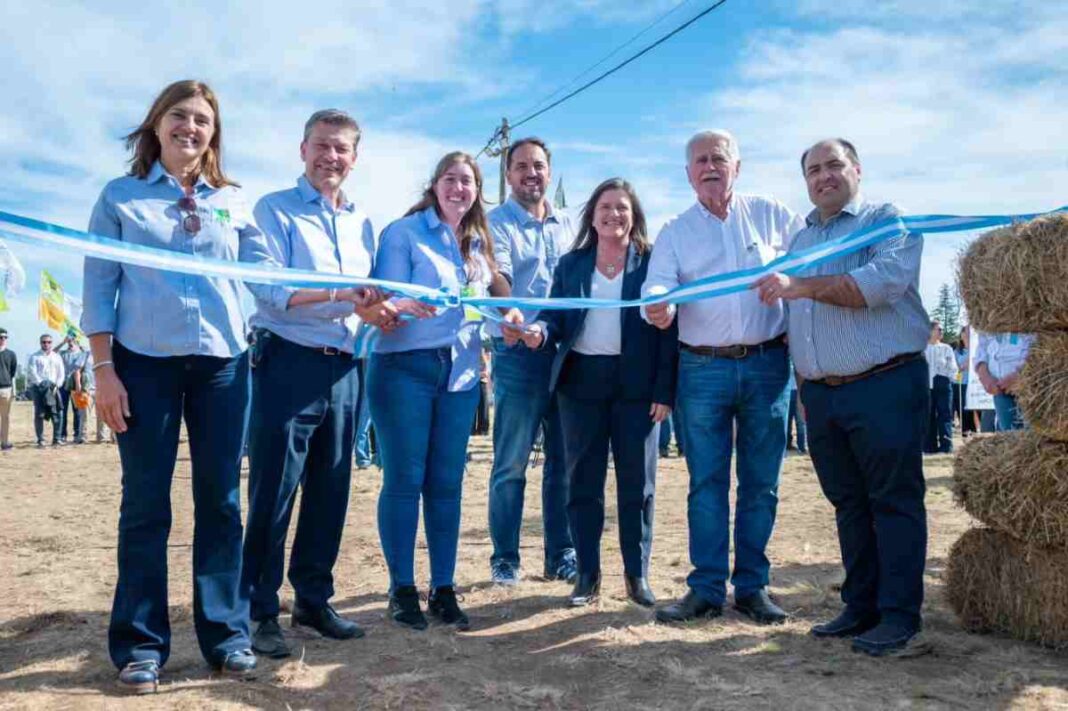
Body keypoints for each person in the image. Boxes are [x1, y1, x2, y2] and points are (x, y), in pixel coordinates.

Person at [83, 79, 259, 692]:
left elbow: (271, 278)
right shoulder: (120, 197)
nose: (191, 127)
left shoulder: (235, 201)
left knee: (221, 502)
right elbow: (99, 285)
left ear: (215, 134)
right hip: (144, 365)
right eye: (179, 116)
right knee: (145, 504)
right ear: (156, 125)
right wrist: (104, 371)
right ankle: (140, 646)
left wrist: (344, 294)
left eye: (203, 120)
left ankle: (227, 634)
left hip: (223, 365)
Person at [754, 138, 931, 657]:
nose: (824, 176)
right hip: (824, 396)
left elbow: (878, 286)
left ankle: (900, 615)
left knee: (893, 501)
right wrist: (807, 386)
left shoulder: (886, 220)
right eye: (813, 169)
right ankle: (860, 605)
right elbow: (796, 318)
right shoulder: (801, 237)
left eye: (834, 165)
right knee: (849, 505)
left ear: (857, 168)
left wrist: (801, 284)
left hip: (885, 383)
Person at [240, 109, 392, 659]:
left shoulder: (363, 223)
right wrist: (343, 295)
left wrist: (385, 309)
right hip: (287, 361)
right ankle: (258, 610)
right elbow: (270, 288)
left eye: (342, 149)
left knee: (331, 489)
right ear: (302, 149)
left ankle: (312, 599)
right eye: (322, 146)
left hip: (347, 366)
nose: (332, 157)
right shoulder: (272, 210)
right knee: (274, 491)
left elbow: (367, 297)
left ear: (355, 158)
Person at [643, 130, 803, 626]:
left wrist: (793, 282)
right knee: (706, 483)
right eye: (699, 161)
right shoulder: (675, 230)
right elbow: (657, 283)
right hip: (702, 369)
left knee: (761, 483)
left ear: (738, 165)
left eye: (718, 158)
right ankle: (707, 587)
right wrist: (658, 305)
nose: (709, 167)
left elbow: (808, 263)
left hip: (767, 367)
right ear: (688, 173)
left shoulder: (777, 215)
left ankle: (752, 587)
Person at [509, 178, 677, 608]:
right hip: (580, 385)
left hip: (636, 389)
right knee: (582, 482)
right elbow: (554, 316)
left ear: (634, 214)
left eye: (622, 207)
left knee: (637, 485)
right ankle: (586, 574)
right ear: (592, 215)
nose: (613, 214)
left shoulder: (652, 261)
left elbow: (667, 332)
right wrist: (539, 333)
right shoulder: (572, 264)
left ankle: (636, 575)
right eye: (605, 206)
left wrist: (664, 390)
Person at [369, 151, 514, 630]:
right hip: (405, 369)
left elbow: (485, 307)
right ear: (434, 186)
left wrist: (513, 321)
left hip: (462, 375)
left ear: (477, 191)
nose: (459, 188)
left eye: (468, 181)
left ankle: (444, 589)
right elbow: (382, 299)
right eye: (450, 179)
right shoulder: (403, 233)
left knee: (447, 485)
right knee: (405, 480)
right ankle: (402, 589)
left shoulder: (477, 247)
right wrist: (403, 302)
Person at [486, 137, 577, 586]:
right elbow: (497, 275)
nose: (531, 173)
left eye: (538, 165)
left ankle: (560, 554)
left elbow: (575, 284)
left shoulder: (571, 224)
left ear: (549, 169)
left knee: (563, 462)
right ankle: (505, 558)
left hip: (564, 356)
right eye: (520, 166)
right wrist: (513, 316)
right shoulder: (495, 222)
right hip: (517, 353)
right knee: (511, 464)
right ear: (508, 176)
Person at [974, 331, 1033, 431]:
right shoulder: (987, 319)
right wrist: (984, 375)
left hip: (1031, 387)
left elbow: (1041, 346)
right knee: (1009, 436)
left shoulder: (1029, 318)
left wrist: (1021, 375)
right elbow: (982, 346)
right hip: (999, 388)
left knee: (1034, 437)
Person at [924, 320, 958, 453]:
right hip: (927, 385)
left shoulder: (946, 348)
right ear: (931, 331)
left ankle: (946, 446)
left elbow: (953, 367)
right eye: (939, 329)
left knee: (945, 415)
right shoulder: (922, 348)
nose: (941, 332)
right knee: (929, 416)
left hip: (943, 383)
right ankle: (929, 446)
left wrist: (949, 378)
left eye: (942, 329)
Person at [27, 333, 64, 447]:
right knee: (40, 413)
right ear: (40, 343)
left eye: (49, 342)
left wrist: (57, 385)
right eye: (44, 342)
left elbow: (61, 373)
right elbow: (32, 373)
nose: (46, 344)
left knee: (57, 412)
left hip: (53, 388)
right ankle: (40, 439)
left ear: (52, 343)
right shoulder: (34, 357)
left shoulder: (57, 357)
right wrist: (42, 384)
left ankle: (56, 439)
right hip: (39, 388)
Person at [57, 332, 89, 444]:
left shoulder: (82, 353)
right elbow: (52, 352)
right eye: (69, 340)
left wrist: (80, 346)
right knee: (62, 409)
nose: (70, 342)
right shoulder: (63, 353)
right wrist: (62, 342)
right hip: (63, 384)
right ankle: (62, 435)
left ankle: (77, 433)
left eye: (73, 340)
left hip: (77, 384)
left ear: (77, 341)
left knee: (78, 410)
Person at [952, 330, 978, 437]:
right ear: (961, 336)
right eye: (964, 332)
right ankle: (965, 432)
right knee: (963, 408)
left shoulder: (977, 348)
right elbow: (956, 368)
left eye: (968, 333)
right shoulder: (957, 351)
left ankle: (975, 431)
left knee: (974, 408)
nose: (966, 335)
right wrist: (966, 364)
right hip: (960, 383)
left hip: (974, 383)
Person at [786, 358, 807, 454]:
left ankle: (802, 446)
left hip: (798, 392)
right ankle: (788, 444)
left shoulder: (799, 361)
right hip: (787, 392)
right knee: (788, 421)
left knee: (800, 422)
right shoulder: (786, 360)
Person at [0, 327, 16, 450]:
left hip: (6, 389)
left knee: (5, 417)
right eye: (0, 337)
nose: (2, 339)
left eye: (4, 337)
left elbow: (13, 372)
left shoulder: (11, 354)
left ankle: (4, 442)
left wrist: (13, 390)